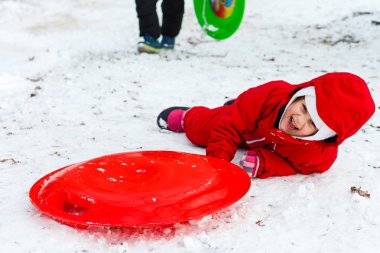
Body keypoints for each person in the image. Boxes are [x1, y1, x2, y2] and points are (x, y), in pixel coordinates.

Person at [156, 72, 375, 178]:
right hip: (248, 120)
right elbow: (230, 124)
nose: (299, 120)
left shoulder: (316, 154)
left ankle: (234, 107)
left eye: (313, 124)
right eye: (305, 108)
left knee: (241, 122)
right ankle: (189, 117)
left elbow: (296, 166)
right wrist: (218, 163)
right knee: (207, 128)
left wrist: (266, 163)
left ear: (323, 136)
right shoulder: (272, 94)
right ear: (299, 94)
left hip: (270, 144)